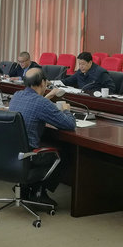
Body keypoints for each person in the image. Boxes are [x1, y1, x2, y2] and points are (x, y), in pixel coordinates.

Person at [9, 68, 76, 206]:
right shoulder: (41, 103)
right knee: (67, 150)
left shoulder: (17, 95)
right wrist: (66, 110)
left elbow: (34, 105)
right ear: (43, 82)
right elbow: (69, 124)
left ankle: (26, 187)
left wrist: (48, 97)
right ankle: (38, 191)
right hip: (28, 155)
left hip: (12, 151)